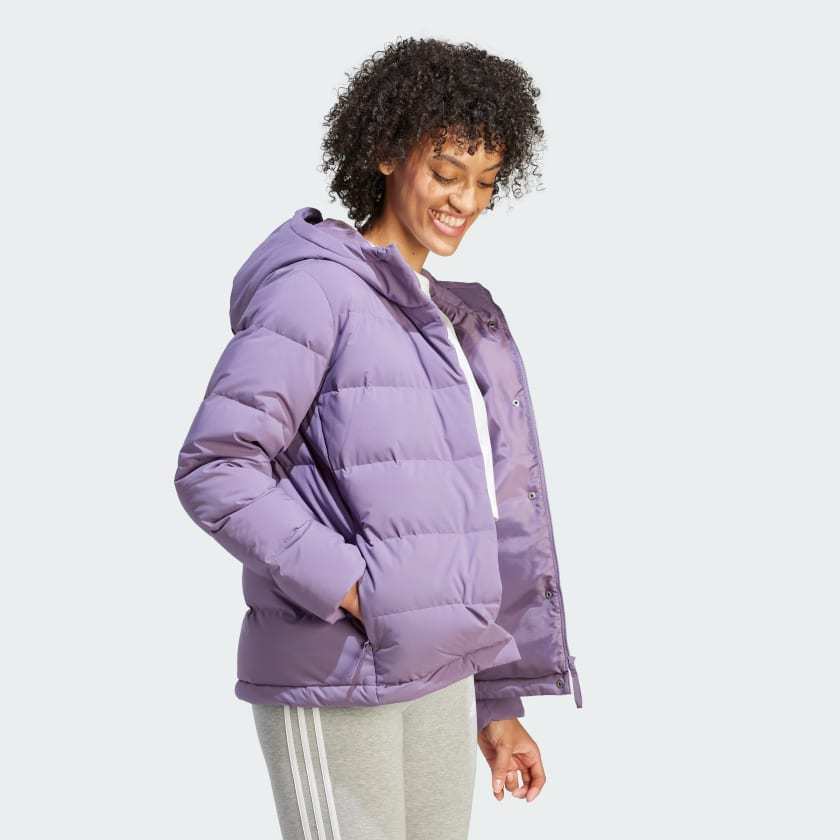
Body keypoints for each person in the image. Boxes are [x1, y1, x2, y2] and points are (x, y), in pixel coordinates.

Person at [173, 36, 582, 840]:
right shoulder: (316, 288)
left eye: (485, 182)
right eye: (447, 172)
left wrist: (496, 701)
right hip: (336, 675)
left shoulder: (452, 317)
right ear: (388, 152)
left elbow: (468, 522)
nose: (465, 201)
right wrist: (357, 589)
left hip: (441, 677)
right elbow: (217, 466)